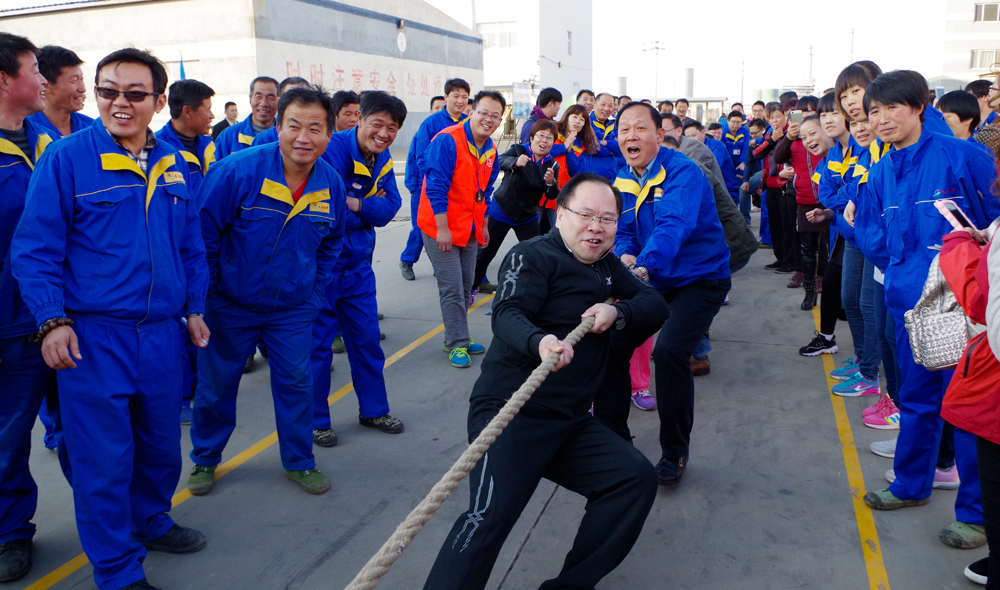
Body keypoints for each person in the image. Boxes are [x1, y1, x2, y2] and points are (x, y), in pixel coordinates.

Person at [12, 47, 210, 590]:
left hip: (164, 336)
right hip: (95, 338)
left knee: (157, 446)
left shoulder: (174, 161)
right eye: (107, 91)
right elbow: (35, 250)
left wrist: (194, 306)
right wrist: (53, 321)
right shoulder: (67, 159)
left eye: (134, 94)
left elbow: (190, 244)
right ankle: (118, 570)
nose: (119, 103)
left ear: (158, 101)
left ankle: (150, 520)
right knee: (103, 460)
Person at [422, 172, 668, 590]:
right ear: (559, 215)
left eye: (608, 219)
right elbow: (507, 313)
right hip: (512, 414)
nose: (596, 227)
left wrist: (617, 314)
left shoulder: (606, 266)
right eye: (586, 215)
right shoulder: (531, 256)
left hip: (569, 421)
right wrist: (540, 342)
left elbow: (654, 304)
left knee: (632, 479)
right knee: (488, 519)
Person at [858, 71, 1000, 555]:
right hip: (909, 307)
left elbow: (992, 219)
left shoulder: (962, 155)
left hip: (967, 309)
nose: (881, 119)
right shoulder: (881, 171)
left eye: (891, 108)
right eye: (873, 111)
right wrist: (902, 276)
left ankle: (977, 516)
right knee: (916, 399)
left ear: (920, 106)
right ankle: (910, 484)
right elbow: (874, 236)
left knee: (969, 414)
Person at [187, 87, 347, 497]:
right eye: (293, 125)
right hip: (230, 305)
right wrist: (207, 298)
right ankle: (205, 458)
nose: (303, 137)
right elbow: (202, 235)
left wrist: (313, 293)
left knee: (297, 383)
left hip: (291, 309)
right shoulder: (238, 171)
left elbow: (332, 243)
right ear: (277, 127)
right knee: (215, 386)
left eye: (315, 128)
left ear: (329, 135)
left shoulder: (330, 183)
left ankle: (299, 461)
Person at [597, 101, 731, 487]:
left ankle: (674, 452)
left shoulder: (683, 173)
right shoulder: (623, 176)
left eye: (640, 128)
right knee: (611, 345)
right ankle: (614, 440)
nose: (630, 136)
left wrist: (641, 267)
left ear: (660, 135)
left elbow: (672, 227)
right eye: (623, 129)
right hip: (653, 278)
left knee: (670, 351)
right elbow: (623, 229)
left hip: (700, 280)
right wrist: (623, 254)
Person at [0, 32, 69, 584]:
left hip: (68, 319)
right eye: (32, 69)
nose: (43, 79)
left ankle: (128, 519)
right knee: (7, 441)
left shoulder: (48, 136)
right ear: (4, 79)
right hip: (9, 326)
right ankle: (11, 533)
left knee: (92, 429)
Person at [308, 91, 407, 448]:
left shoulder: (380, 158)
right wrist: (366, 207)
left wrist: (357, 204)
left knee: (366, 342)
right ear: (359, 119)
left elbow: (391, 208)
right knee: (317, 350)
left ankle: (374, 410)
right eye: (376, 124)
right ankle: (317, 421)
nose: (383, 133)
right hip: (322, 271)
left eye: (391, 128)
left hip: (358, 271)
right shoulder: (332, 151)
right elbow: (329, 213)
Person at [417, 90, 503, 368]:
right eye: (484, 113)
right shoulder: (448, 140)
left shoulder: (490, 148)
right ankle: (457, 343)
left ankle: (456, 337)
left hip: (469, 226)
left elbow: (486, 190)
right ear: (471, 112)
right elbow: (436, 186)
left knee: (467, 286)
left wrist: (485, 224)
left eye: (495, 116)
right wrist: (442, 229)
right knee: (452, 288)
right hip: (439, 227)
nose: (488, 120)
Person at [473, 119, 559, 289]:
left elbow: (551, 195)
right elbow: (498, 161)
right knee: (484, 253)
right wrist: (514, 162)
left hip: (527, 217)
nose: (544, 141)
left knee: (535, 255)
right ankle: (473, 286)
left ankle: (533, 291)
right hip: (501, 211)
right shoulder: (519, 150)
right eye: (540, 135)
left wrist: (551, 183)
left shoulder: (552, 164)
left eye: (549, 138)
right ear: (532, 137)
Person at [400, 78, 470, 281]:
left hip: (456, 188)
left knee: (451, 226)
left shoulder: (467, 123)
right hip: (430, 186)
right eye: (455, 96)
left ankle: (441, 264)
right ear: (446, 97)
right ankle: (407, 260)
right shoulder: (431, 123)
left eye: (464, 96)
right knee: (422, 227)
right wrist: (431, 182)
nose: (460, 100)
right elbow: (421, 156)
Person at [775, 114, 832, 310]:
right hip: (804, 201)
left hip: (829, 201)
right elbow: (778, 158)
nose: (808, 138)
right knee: (807, 249)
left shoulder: (827, 143)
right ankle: (809, 292)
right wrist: (789, 137)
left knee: (831, 248)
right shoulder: (796, 141)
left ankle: (825, 284)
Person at [753, 101, 795, 273]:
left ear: (786, 116)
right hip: (770, 184)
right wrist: (771, 140)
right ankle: (780, 258)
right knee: (775, 225)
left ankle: (790, 261)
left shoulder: (792, 133)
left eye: (779, 116)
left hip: (786, 184)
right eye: (772, 117)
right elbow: (756, 153)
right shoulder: (769, 133)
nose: (776, 120)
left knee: (787, 225)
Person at [156, 79, 215, 192]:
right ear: (187, 111)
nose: (212, 116)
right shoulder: (156, 149)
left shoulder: (209, 145)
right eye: (208, 109)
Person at [27, 45, 93, 139]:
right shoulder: (27, 130)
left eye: (81, 79)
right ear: (46, 85)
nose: (82, 89)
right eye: (73, 81)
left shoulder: (91, 128)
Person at [213, 75, 278, 158]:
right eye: (258, 97)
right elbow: (216, 169)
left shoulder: (285, 136)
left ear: (278, 101)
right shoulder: (228, 137)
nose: (264, 103)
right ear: (250, 100)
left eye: (270, 98)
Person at [683, 119, 740, 202]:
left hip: (726, 190)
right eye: (688, 137)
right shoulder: (690, 149)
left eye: (694, 135)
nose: (692, 139)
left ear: (703, 132)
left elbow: (714, 165)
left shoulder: (715, 144)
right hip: (709, 190)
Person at [250, 77, 315, 147]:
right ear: (279, 101)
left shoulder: (322, 139)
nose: (298, 103)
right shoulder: (263, 140)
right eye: (291, 98)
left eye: (304, 99)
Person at [661, 112, 724, 183]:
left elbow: (693, 181)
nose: (660, 135)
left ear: (679, 131)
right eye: (657, 131)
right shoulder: (667, 147)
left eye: (665, 131)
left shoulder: (693, 147)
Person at [583, 92, 622, 181]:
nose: (606, 108)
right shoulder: (586, 123)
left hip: (611, 175)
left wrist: (605, 142)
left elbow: (621, 149)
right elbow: (592, 147)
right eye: (603, 104)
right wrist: (612, 149)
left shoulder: (613, 125)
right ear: (595, 104)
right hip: (591, 175)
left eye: (610, 106)